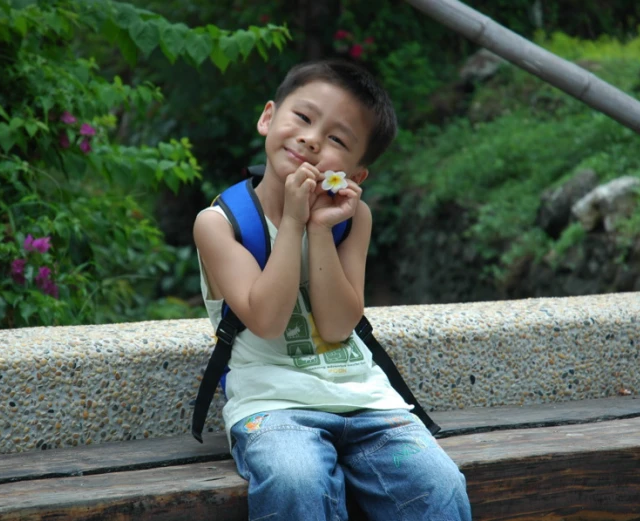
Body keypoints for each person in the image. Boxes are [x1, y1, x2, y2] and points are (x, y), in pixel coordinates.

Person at [193, 59, 471, 521]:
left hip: (370, 407)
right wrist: (294, 222)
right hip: (274, 408)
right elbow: (266, 320)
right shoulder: (221, 224)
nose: (312, 140)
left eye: (337, 140)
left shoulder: (352, 220)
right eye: (302, 118)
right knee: (296, 480)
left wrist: (319, 229)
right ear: (268, 118)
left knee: (438, 483)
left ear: (356, 176)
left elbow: (341, 325)